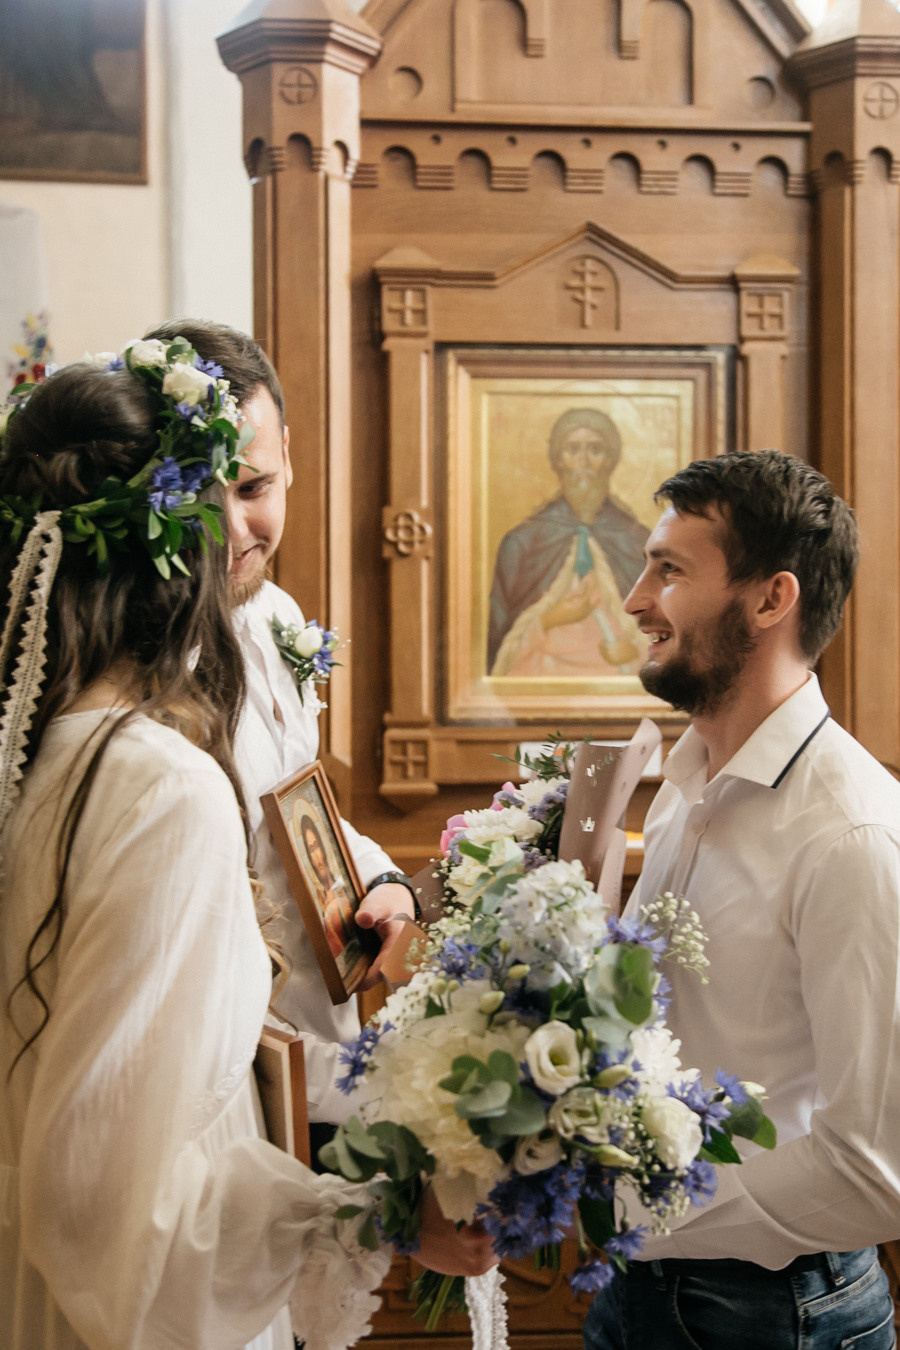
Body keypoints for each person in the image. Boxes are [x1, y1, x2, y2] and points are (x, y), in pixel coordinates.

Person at [0, 344, 495, 1350]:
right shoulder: (163, 787)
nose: (239, 528)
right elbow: (111, 1210)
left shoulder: (48, 747)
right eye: (216, 499)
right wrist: (372, 1216)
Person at [583, 450, 900, 1350]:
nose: (637, 598)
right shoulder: (686, 781)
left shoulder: (854, 838)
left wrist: (636, 1207)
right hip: (640, 1289)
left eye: (670, 570)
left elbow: (877, 1172)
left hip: (775, 1317)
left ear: (772, 599)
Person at [144, 319, 416, 1141]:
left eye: (255, 487)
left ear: (290, 455)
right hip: (217, 1085)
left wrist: (385, 881)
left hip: (329, 1054)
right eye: (198, 497)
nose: (232, 530)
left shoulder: (276, 614)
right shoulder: (130, 670)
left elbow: (296, 805)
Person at [487, 408, 648, 677]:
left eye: (595, 450)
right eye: (572, 450)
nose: (583, 461)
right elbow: (496, 641)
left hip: (619, 684)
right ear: (557, 459)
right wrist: (551, 619)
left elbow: (668, 629)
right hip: (537, 683)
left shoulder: (637, 540)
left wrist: (636, 650)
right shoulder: (522, 543)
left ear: (610, 459)